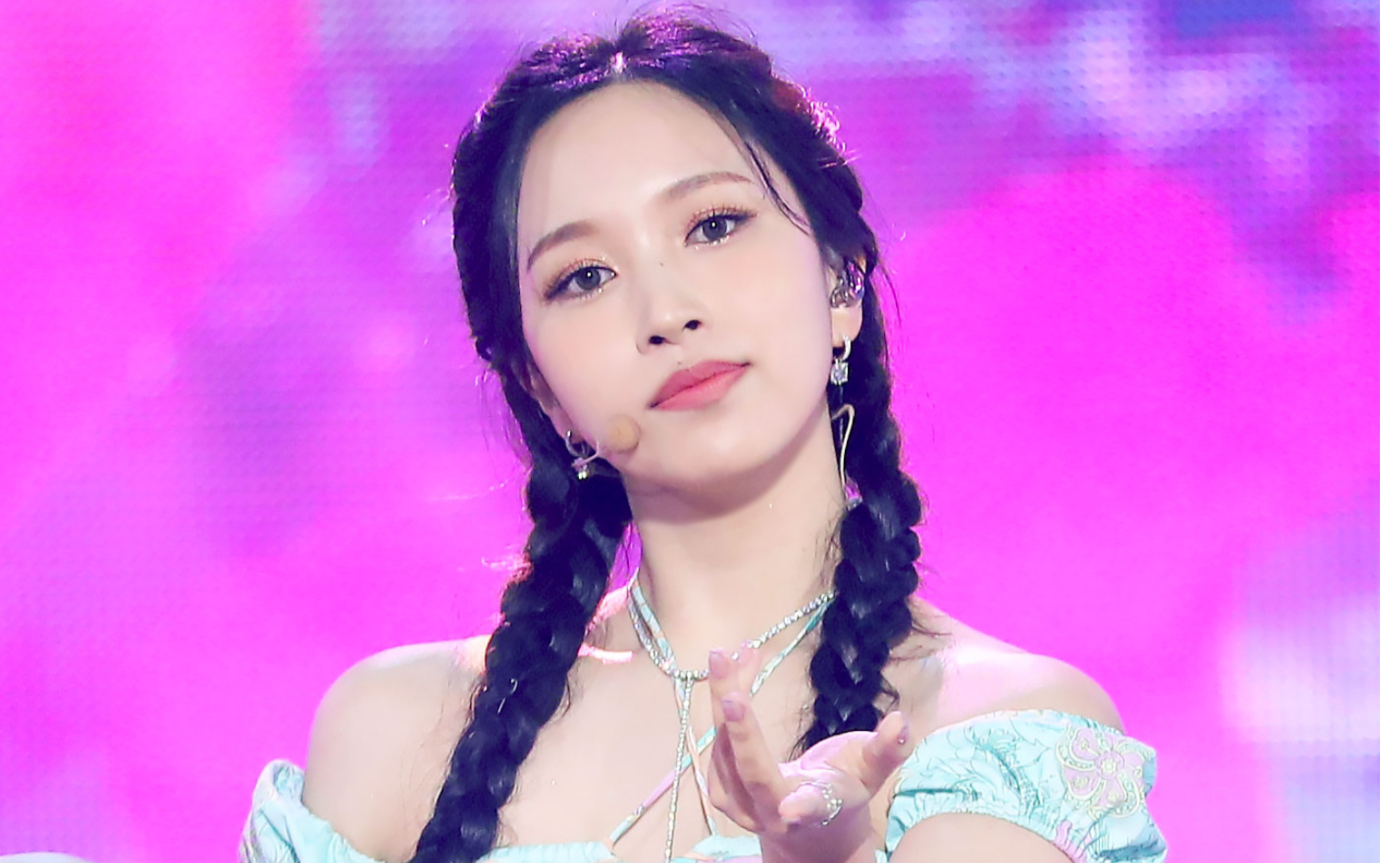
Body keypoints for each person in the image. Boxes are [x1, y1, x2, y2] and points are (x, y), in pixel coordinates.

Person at [241, 11, 1166, 863]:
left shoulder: (996, 733)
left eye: (715, 225)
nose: (666, 310)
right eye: (585, 276)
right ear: (539, 387)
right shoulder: (392, 737)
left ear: (841, 279)